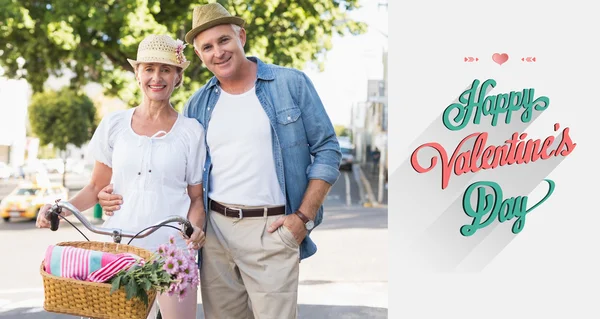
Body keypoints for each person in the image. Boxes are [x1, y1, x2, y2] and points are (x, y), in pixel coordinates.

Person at [99, 3, 342, 318]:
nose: (218, 52)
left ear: (241, 36)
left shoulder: (289, 84)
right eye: (207, 47)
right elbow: (172, 172)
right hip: (214, 237)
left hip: (271, 230)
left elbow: (327, 148)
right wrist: (114, 191)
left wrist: (303, 218)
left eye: (224, 40)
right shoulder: (198, 103)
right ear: (199, 56)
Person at [36, 34, 206, 319]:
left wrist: (195, 230)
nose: (157, 77)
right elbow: (95, 187)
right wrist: (59, 209)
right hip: (121, 251)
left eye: (166, 69)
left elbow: (196, 199)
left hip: (173, 252)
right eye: (149, 68)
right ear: (137, 73)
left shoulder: (191, 131)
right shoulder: (114, 125)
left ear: (178, 77)